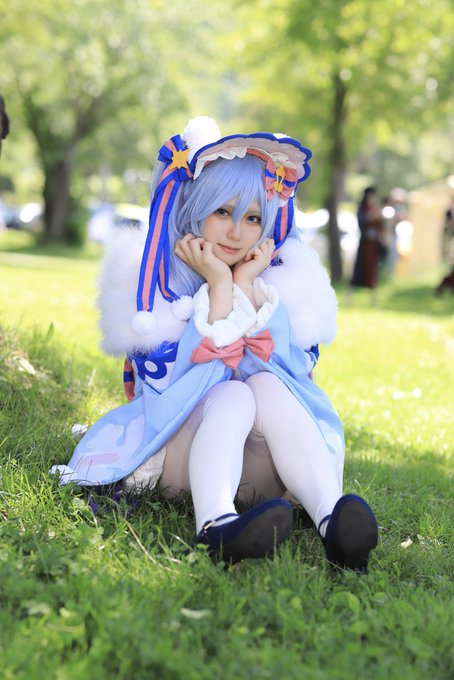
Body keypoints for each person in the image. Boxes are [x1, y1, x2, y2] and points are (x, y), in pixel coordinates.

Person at [51, 116, 378, 571]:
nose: (237, 232)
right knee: (231, 393)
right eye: (222, 212)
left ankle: (332, 521)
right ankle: (216, 525)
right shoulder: (156, 290)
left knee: (267, 386)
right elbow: (179, 391)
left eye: (252, 218)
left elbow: (296, 385)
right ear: (195, 209)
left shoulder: (276, 286)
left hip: (266, 470)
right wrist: (220, 286)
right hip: (181, 459)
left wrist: (244, 285)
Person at [348, 186, 384, 306]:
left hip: (373, 245)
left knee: (372, 271)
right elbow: (363, 221)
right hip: (365, 244)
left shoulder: (374, 207)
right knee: (359, 270)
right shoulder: (363, 208)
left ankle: (373, 300)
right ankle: (350, 297)